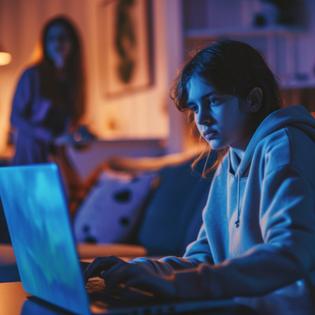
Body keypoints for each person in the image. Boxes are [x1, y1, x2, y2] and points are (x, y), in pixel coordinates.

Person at [85, 40, 315, 314]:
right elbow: (202, 257)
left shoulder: (284, 148)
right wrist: (136, 269)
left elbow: (288, 255)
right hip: (240, 303)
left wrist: (174, 285)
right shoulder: (228, 163)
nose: (201, 119)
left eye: (214, 101)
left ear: (252, 100)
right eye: (194, 108)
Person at [10, 15, 86, 165]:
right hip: (32, 156)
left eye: (62, 37)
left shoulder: (72, 80)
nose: (57, 42)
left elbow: (71, 121)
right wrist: (47, 135)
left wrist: (78, 135)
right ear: (45, 44)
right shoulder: (32, 76)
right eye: (51, 38)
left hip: (58, 157)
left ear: (72, 43)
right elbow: (16, 118)